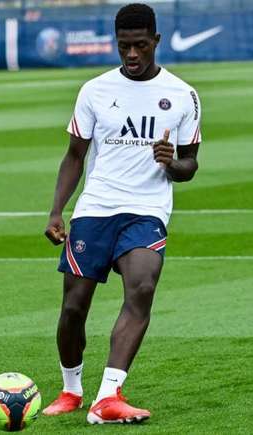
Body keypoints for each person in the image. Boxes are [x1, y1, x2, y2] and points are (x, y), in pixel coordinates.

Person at [42, 3, 202, 425]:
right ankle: (71, 389)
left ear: (157, 42)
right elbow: (74, 156)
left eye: (140, 46)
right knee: (74, 308)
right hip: (95, 210)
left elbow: (190, 167)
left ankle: (108, 395)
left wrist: (171, 162)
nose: (131, 55)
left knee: (142, 288)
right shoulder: (94, 90)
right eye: (124, 46)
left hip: (147, 212)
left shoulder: (183, 96)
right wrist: (57, 210)